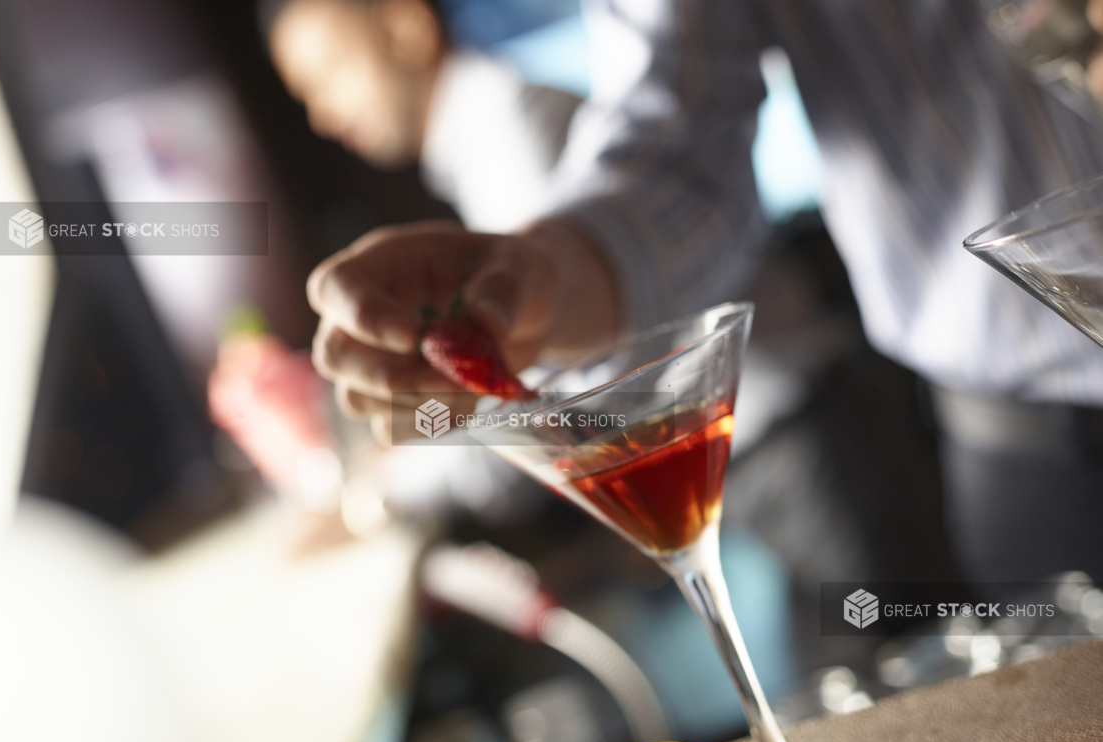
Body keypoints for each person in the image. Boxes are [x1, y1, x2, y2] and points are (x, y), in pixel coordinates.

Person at [306, 0, 1103, 592]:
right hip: (1026, 437)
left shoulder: (504, 119)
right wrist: (532, 290)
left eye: (326, 71)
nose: (318, 108)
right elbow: (676, 147)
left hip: (814, 438)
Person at [265, 0, 581, 232]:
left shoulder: (509, 139)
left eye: (329, 74)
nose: (321, 117)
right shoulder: (476, 143)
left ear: (408, 29)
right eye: (306, 97)